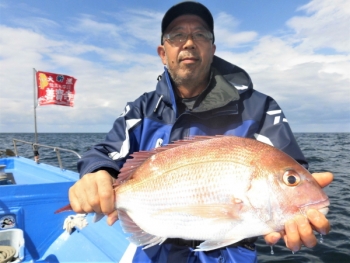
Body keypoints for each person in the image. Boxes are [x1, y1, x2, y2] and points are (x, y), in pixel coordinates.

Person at [69, 2, 332, 262]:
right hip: (155, 253)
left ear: (212, 48)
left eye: (200, 34)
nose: (189, 42)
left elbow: (289, 165)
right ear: (163, 52)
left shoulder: (259, 108)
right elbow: (106, 153)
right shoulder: (141, 109)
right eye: (177, 35)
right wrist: (97, 173)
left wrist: (296, 190)